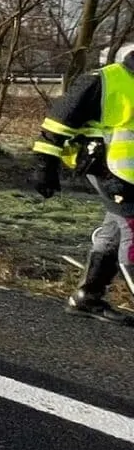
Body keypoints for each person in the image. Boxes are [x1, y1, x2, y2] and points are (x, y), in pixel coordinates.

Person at [33, 41, 134, 322]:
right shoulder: (103, 80)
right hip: (109, 168)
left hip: (129, 174)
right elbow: (57, 124)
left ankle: (87, 297)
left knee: (114, 231)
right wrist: (45, 166)